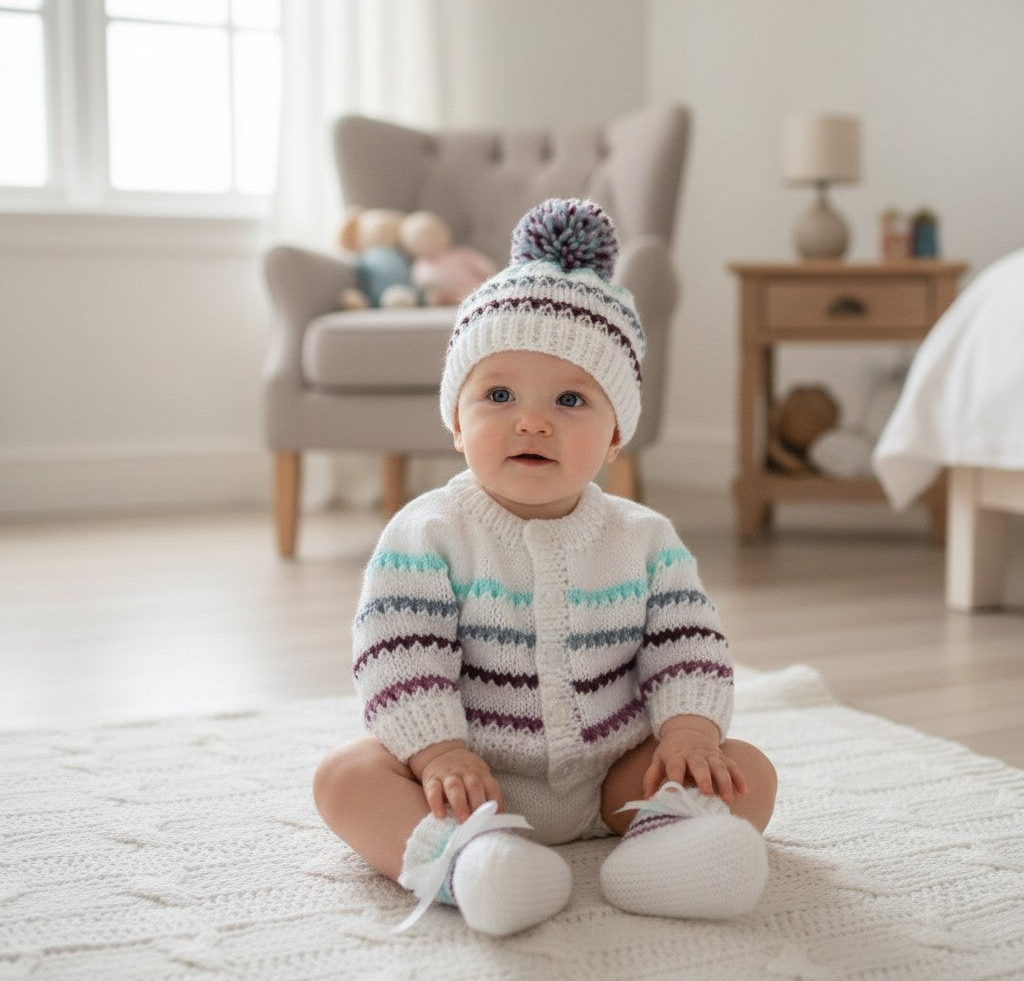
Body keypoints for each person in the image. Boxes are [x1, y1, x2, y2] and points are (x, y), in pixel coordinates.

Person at [313, 198, 777, 937]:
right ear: (457, 421)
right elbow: (398, 655)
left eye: (570, 399)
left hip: (614, 778)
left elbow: (688, 645)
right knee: (345, 777)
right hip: (467, 784)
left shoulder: (645, 538)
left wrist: (689, 734)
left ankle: (663, 853)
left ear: (615, 435)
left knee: (746, 767)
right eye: (498, 395)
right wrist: (438, 752)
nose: (532, 421)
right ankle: (472, 864)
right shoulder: (429, 533)